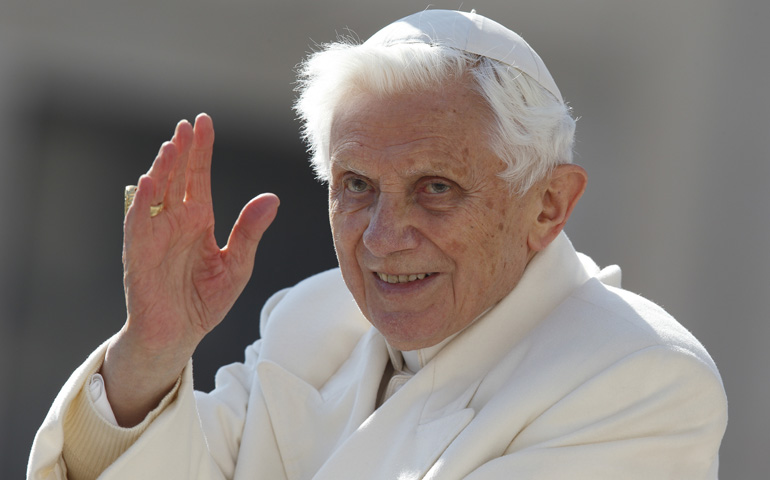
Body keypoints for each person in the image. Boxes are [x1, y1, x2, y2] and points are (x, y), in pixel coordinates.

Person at [28, 9, 727, 480]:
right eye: (356, 185)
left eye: (437, 189)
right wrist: (152, 351)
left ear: (546, 206)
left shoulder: (642, 378)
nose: (384, 238)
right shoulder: (313, 322)